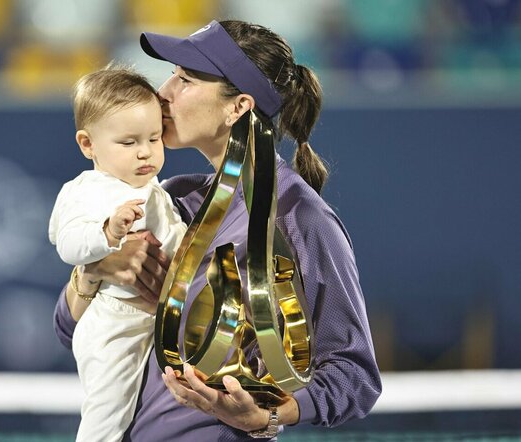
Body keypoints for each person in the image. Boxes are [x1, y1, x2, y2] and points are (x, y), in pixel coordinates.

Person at [54, 20, 382, 441]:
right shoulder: (172, 199)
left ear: (237, 107)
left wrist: (269, 417)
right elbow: (67, 329)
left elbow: (354, 374)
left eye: (185, 79)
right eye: (171, 74)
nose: (163, 93)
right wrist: (94, 272)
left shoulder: (302, 218)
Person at [48, 66, 187, 442]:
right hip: (115, 324)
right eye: (128, 143)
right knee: (107, 415)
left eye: (154, 138)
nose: (145, 152)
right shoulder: (89, 190)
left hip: (155, 321)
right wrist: (107, 233)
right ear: (87, 144)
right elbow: (67, 242)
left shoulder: (154, 187)